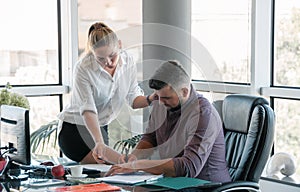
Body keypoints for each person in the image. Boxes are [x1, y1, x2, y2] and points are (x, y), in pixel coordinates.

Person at [106, 60, 231, 183]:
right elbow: (150, 137)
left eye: (166, 97)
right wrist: (134, 157)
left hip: (207, 186)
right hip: (174, 184)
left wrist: (138, 165)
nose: (160, 102)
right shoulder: (161, 103)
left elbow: (189, 167)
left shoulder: (203, 113)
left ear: (184, 91)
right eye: (158, 97)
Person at [57, 22, 156, 164]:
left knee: (116, 170)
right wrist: (99, 142)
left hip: (101, 128)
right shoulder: (83, 67)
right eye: (101, 59)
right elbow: (88, 109)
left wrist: (151, 98)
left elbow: (133, 99)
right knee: (119, 166)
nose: (108, 62)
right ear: (93, 53)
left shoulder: (128, 61)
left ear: (119, 45)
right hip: (75, 130)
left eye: (112, 55)